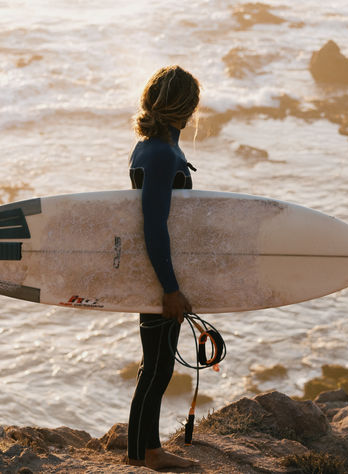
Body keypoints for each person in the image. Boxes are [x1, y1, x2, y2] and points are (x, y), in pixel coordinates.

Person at [127, 65, 200, 470]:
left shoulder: (148, 147)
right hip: (159, 274)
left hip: (151, 269)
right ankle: (148, 454)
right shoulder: (162, 153)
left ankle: (141, 450)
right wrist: (170, 288)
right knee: (157, 366)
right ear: (187, 109)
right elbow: (154, 224)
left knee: (153, 364)